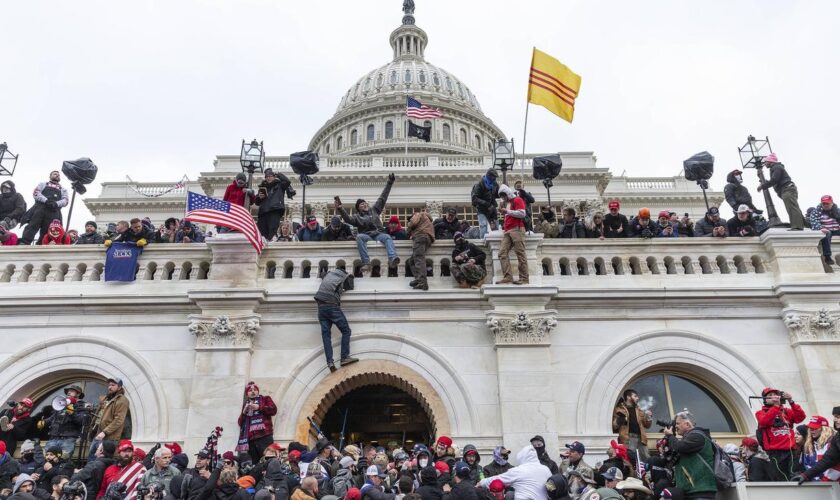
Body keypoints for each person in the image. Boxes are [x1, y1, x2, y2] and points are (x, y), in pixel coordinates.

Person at [336, 173, 399, 273]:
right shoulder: (357, 217)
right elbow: (348, 219)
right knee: (360, 237)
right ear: (358, 208)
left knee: (387, 237)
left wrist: (389, 183)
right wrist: (341, 209)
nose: (364, 204)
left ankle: (392, 258)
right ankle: (366, 262)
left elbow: (383, 197)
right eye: (362, 204)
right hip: (367, 235)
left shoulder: (374, 210)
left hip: (378, 234)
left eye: (365, 203)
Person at [754, 387, 805, 481]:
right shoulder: (760, 413)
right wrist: (776, 407)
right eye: (770, 395)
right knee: (782, 478)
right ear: (765, 399)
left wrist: (791, 401)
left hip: (791, 450)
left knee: (795, 476)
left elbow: (800, 417)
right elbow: (764, 422)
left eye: (775, 394)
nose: (774, 397)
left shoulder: (786, 411)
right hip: (775, 453)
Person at [663, 411, 715, 500]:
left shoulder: (697, 436)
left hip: (701, 491)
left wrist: (671, 436)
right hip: (691, 491)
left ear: (687, 424)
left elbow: (679, 447)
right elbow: (670, 458)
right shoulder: (688, 438)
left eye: (678, 423)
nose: (675, 426)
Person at [314, 268, 358, 372]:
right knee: (346, 331)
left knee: (326, 336)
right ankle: (344, 357)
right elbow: (350, 286)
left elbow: (322, 274)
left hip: (321, 307)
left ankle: (330, 362)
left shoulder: (328, 274)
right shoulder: (345, 276)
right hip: (332, 306)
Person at [478, 445, 551, 500]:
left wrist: (481, 483)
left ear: (522, 457)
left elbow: (498, 479)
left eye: (506, 455)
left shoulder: (518, 470)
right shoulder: (546, 469)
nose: (505, 456)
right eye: (503, 455)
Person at [757, 153, 805, 230]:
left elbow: (775, 180)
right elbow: (776, 180)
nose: (765, 163)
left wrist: (763, 186)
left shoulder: (776, 167)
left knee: (792, 208)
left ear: (770, 161)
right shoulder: (776, 167)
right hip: (787, 189)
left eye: (766, 161)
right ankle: (804, 225)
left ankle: (797, 226)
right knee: (793, 207)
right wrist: (765, 182)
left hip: (787, 189)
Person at [20, 170, 69, 245]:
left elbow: (65, 200)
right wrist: (46, 200)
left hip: (54, 211)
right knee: (33, 225)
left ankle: (42, 244)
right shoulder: (42, 184)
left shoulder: (63, 189)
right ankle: (24, 242)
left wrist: (56, 203)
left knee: (49, 229)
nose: (57, 175)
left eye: (58, 175)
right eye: (54, 174)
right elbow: (36, 193)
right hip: (40, 209)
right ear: (50, 176)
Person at [793, 406, 840, 485]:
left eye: (838, 417)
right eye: (834, 417)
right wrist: (806, 475)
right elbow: (828, 460)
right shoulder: (837, 438)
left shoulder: (829, 442)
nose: (835, 420)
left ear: (824, 429)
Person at [88, 378, 129, 460]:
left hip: (109, 438)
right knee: (91, 460)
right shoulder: (105, 399)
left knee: (101, 462)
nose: (110, 387)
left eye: (113, 385)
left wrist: (105, 432)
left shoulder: (122, 400)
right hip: (97, 434)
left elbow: (119, 420)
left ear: (119, 387)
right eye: (109, 385)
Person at [495, 185, 528, 285]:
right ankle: (508, 277)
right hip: (508, 230)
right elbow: (511, 215)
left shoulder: (517, 199)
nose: (503, 198)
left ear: (507, 193)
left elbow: (522, 213)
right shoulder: (509, 202)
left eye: (503, 196)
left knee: (520, 253)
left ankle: (524, 278)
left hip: (517, 229)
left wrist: (507, 211)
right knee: (502, 253)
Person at [236, 382, 277, 464]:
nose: (253, 391)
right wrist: (244, 413)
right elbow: (240, 423)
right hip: (251, 441)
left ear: (258, 391)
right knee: (255, 464)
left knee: (268, 461)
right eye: (250, 390)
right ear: (247, 393)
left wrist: (259, 407)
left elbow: (273, 410)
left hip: (264, 437)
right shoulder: (246, 404)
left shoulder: (265, 399)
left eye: (255, 389)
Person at [44, 385, 86, 457]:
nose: (69, 392)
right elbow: (53, 418)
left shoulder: (81, 405)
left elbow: (81, 421)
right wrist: (44, 422)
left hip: (68, 439)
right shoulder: (62, 404)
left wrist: (72, 413)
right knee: (48, 459)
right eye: (68, 391)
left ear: (78, 394)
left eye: (72, 391)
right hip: (54, 437)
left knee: (63, 460)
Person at [255, 168, 296, 240]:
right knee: (262, 234)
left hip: (274, 210)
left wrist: (278, 173)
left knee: (272, 232)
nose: (268, 178)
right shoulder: (262, 187)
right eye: (267, 177)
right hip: (263, 212)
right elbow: (256, 202)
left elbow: (287, 181)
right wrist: (259, 197)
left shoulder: (280, 185)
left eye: (270, 176)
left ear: (274, 176)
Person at [612, 389, 653, 461]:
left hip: (641, 439)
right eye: (635, 396)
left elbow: (647, 425)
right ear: (628, 397)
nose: (637, 398)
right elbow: (614, 425)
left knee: (646, 460)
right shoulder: (619, 409)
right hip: (628, 439)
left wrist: (649, 417)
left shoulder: (639, 409)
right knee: (630, 460)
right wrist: (620, 419)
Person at [407, 208, 434, 291]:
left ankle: (423, 282)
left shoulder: (418, 214)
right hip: (427, 238)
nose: (410, 219)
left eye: (410, 218)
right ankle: (419, 279)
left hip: (420, 236)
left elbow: (413, 223)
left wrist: (409, 226)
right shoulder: (427, 220)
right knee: (412, 261)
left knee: (419, 259)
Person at [809, 195, 840, 265]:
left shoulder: (838, 210)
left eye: (827, 203)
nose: (825, 205)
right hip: (826, 229)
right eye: (824, 203)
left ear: (832, 203)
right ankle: (827, 256)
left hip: (837, 229)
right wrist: (820, 228)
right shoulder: (816, 211)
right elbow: (813, 220)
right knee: (826, 234)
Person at [471, 169, 499, 238]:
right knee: (483, 225)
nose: (494, 178)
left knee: (495, 225)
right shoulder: (479, 184)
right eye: (493, 176)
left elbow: (498, 195)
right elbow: (475, 198)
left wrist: (493, 206)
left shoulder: (495, 184)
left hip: (491, 209)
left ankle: (496, 239)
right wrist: (487, 204)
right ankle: (483, 240)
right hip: (482, 209)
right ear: (489, 176)